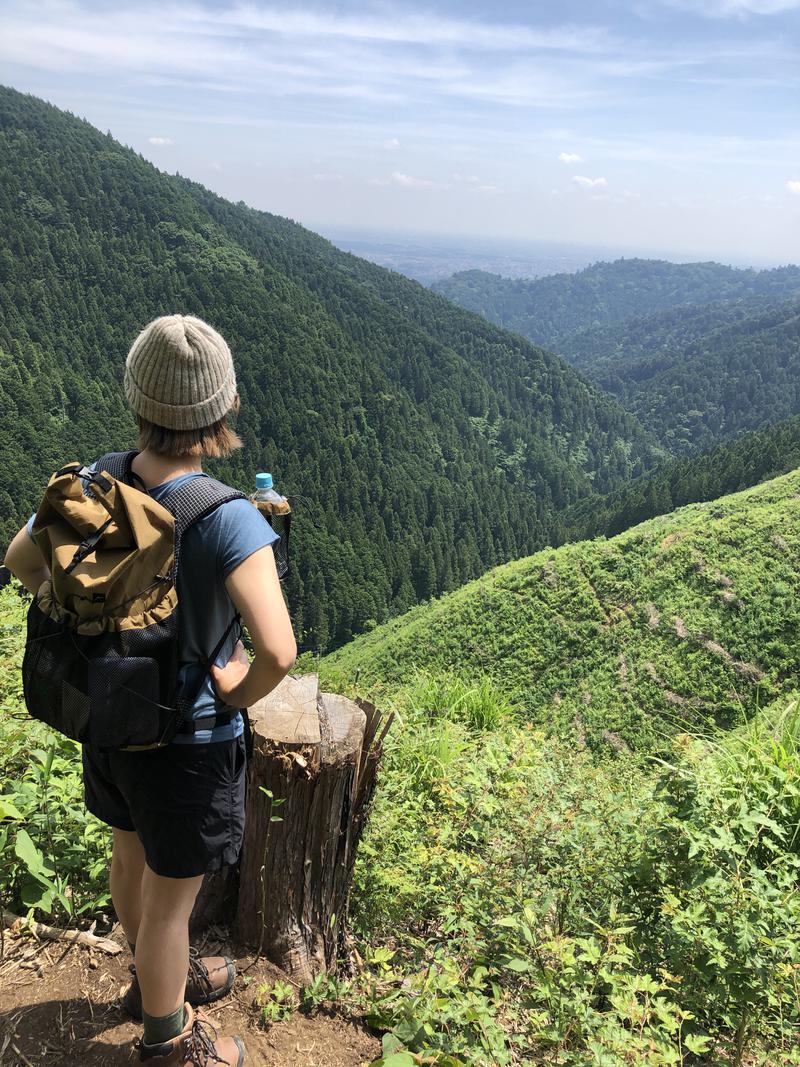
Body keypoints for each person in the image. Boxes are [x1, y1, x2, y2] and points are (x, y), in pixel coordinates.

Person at [5, 315, 297, 1065]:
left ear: (136, 397)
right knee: (173, 906)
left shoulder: (99, 481)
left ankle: (152, 978)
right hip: (189, 744)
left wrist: (70, 608)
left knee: (129, 857)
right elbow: (278, 648)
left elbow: (19, 560)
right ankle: (170, 1039)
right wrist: (236, 690)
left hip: (112, 718)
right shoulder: (227, 516)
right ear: (220, 411)